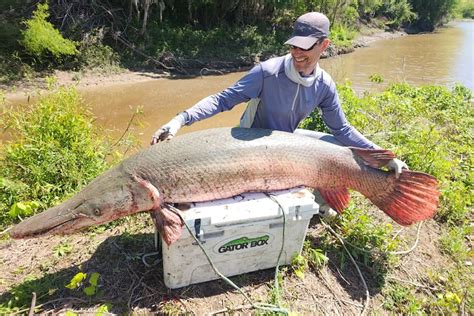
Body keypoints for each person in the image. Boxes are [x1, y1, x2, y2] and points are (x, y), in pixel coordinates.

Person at [151, 12, 408, 213]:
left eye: (305, 47)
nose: (297, 53)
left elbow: (341, 129)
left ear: (324, 45)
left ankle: (320, 202)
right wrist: (180, 119)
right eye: (294, 46)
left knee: (336, 147)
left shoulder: (324, 85)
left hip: (286, 140)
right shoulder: (267, 72)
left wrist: (384, 157)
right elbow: (222, 100)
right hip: (249, 143)